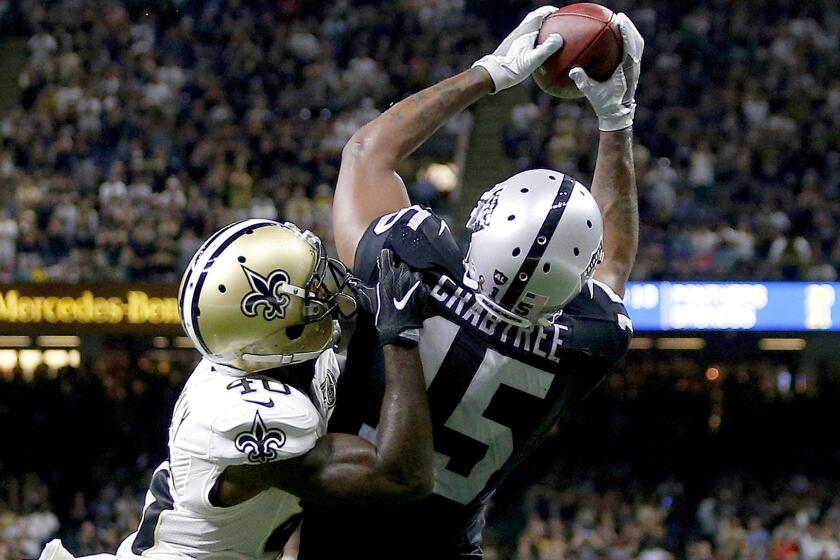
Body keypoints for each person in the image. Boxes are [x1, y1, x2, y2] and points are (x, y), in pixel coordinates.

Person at [300, 6, 642, 559]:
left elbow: (366, 153)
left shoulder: (409, 260)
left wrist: (491, 73)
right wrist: (616, 119)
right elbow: (615, 262)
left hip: (336, 537)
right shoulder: (588, 342)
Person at [39, 219, 434, 559]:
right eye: (311, 289)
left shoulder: (266, 356)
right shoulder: (242, 414)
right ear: (275, 323)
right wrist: (399, 334)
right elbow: (402, 476)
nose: (328, 287)